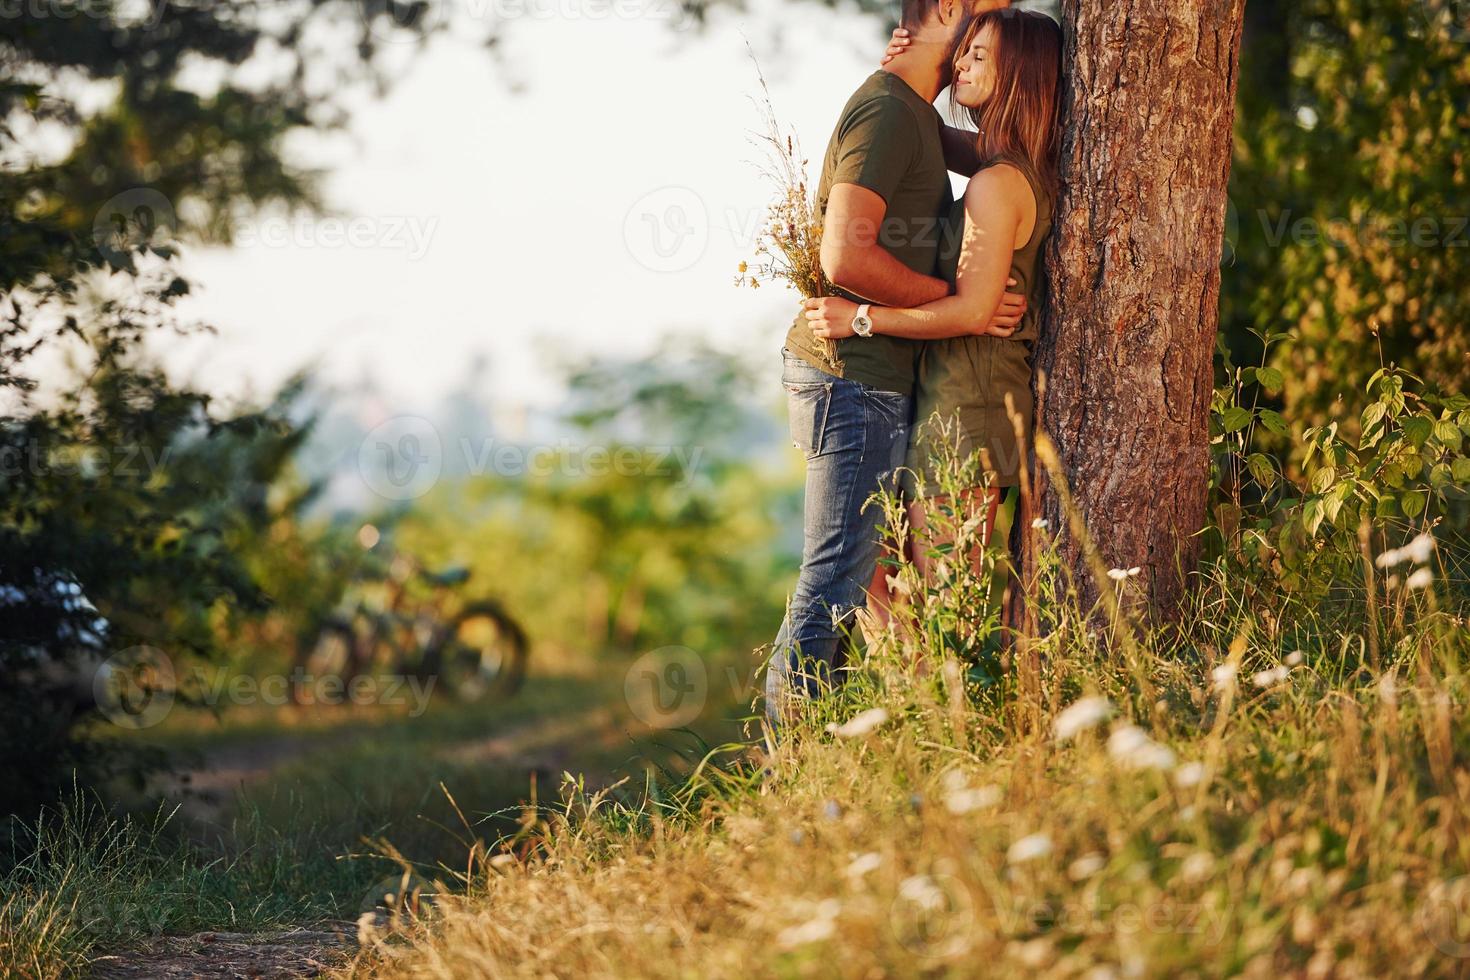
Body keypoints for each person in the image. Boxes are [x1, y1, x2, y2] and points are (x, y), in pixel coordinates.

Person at [765, 0, 1024, 735]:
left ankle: (881, 739)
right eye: (988, 14)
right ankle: (797, 761)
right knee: (837, 577)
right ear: (948, 7)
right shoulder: (885, 110)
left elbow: (1012, 157)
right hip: (852, 375)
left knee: (872, 584)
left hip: (875, 376)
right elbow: (843, 256)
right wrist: (961, 297)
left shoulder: (912, 113)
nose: (989, 34)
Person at [803, 8, 1063, 609]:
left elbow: (975, 313)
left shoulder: (998, 184)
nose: (963, 62)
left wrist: (861, 318)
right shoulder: (1003, 160)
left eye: (979, 55)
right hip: (944, 392)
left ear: (1019, 74)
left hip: (969, 406)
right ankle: (911, 703)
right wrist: (907, 71)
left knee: (947, 608)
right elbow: (920, 125)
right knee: (887, 589)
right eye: (963, 49)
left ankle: (944, 705)